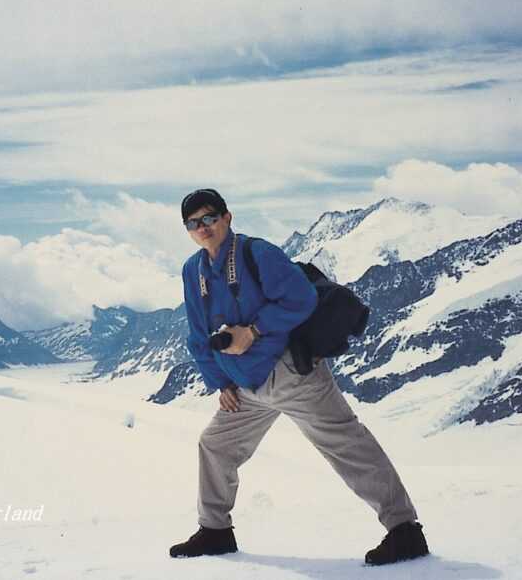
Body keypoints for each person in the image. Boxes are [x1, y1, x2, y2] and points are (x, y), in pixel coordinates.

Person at [169, 188, 429, 566]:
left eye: (209, 218)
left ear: (227, 217)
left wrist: (253, 332)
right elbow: (197, 336)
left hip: (291, 372)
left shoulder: (257, 253)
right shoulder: (193, 272)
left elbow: (302, 299)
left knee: (347, 446)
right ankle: (215, 532)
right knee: (215, 445)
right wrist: (221, 383)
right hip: (245, 387)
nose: (202, 227)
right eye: (193, 223)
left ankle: (405, 531)